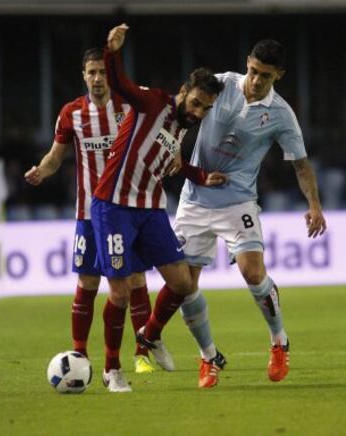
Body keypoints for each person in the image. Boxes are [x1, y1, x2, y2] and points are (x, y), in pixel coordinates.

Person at [172, 39, 327, 386]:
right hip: (195, 199)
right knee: (184, 285)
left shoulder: (282, 115)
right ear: (247, 63)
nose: (256, 81)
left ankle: (279, 341)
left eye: (266, 76)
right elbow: (181, 108)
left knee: (252, 272)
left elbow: (301, 164)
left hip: (238, 200)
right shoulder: (221, 84)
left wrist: (314, 206)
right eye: (254, 71)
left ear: (279, 76)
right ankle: (209, 357)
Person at [91, 23, 227, 392]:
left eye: (205, 109)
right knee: (119, 293)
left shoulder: (182, 125)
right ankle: (112, 369)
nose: (198, 112)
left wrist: (200, 175)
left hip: (150, 210)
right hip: (113, 207)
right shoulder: (152, 102)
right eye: (195, 103)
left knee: (182, 282)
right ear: (182, 93)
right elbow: (122, 86)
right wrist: (112, 52)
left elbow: (170, 162)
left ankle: (150, 336)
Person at [24, 47, 158, 375]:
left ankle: (143, 352)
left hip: (127, 209)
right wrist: (41, 170)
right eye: (92, 73)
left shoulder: (129, 107)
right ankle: (79, 355)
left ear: (110, 75)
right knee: (87, 282)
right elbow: (56, 156)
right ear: (83, 76)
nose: (97, 78)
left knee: (136, 278)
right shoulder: (72, 113)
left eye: (102, 72)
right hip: (88, 212)